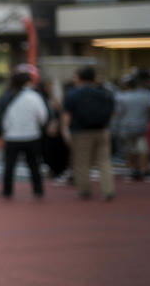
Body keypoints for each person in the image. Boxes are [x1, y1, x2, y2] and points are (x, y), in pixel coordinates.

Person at [62, 66, 116, 201]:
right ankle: (108, 190)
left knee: (82, 162)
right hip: (102, 130)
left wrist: (65, 131)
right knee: (104, 161)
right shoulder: (105, 93)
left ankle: (85, 190)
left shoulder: (73, 94)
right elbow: (113, 112)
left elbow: (66, 115)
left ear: (79, 78)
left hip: (81, 132)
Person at [0, 72, 48, 200]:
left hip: (12, 136)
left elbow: (3, 118)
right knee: (34, 164)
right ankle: (38, 189)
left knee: (9, 165)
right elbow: (43, 116)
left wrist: (4, 131)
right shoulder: (34, 96)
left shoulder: (8, 96)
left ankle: (7, 190)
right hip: (32, 135)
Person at [113, 74, 150, 181]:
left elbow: (118, 113)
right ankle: (144, 168)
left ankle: (134, 168)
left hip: (127, 126)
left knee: (129, 149)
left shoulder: (122, 97)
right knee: (143, 148)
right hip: (143, 125)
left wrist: (115, 126)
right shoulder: (147, 95)